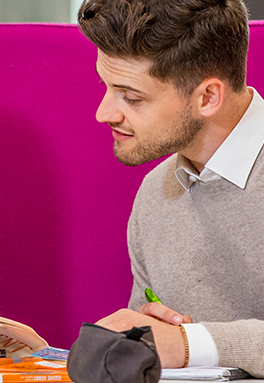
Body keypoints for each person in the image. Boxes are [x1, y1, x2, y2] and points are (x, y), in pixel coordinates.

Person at [77, 0, 263, 376]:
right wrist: (146, 336)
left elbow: (188, 347)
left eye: (131, 96)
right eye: (107, 87)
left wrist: (190, 343)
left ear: (208, 97)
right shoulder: (155, 193)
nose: (104, 113)